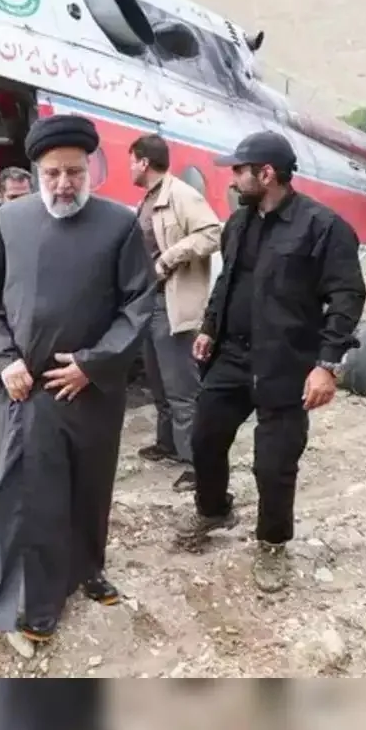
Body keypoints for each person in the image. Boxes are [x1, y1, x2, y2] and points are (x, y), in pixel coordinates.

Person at [0, 113, 156, 644]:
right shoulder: (9, 222)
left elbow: (139, 303)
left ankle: (87, 570)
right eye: (53, 173)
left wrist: (92, 365)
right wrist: (5, 360)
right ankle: (37, 605)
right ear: (36, 171)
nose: (64, 183)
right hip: (29, 388)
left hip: (92, 388)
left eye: (74, 172)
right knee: (35, 498)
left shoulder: (119, 224)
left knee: (90, 488)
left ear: (91, 168)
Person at [176, 130, 366, 593]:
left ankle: (272, 545)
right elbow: (227, 284)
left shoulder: (323, 227)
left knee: (274, 464)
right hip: (233, 356)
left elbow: (347, 296)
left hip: (287, 364)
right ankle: (214, 511)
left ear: (267, 174)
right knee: (204, 439)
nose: (233, 178)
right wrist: (208, 327)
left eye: (240, 171)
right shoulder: (238, 224)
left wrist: (328, 364)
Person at [128, 135, 222, 492]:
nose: (129, 168)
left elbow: (212, 233)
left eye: (131, 161)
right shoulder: (150, 199)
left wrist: (168, 259)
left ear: (143, 162)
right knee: (158, 382)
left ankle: (198, 464)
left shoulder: (180, 194)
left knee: (182, 389)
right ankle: (168, 444)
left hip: (173, 304)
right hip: (150, 304)